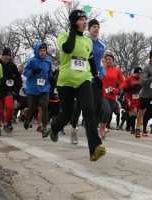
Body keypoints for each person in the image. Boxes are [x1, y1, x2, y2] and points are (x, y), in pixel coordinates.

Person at [50, 9, 105, 161]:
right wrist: (73, 31)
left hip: (83, 80)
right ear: (74, 22)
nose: (85, 22)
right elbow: (67, 48)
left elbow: (91, 60)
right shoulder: (64, 36)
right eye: (81, 19)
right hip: (66, 81)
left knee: (89, 110)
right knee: (67, 115)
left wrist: (96, 75)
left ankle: (95, 148)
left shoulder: (88, 41)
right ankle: (54, 128)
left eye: (86, 19)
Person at [70, 18, 106, 144]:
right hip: (83, 78)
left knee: (98, 104)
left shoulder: (102, 45)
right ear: (89, 29)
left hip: (96, 78)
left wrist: (101, 68)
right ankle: (74, 129)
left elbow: (99, 60)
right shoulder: (83, 41)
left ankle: (92, 128)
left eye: (98, 27)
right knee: (79, 106)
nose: (96, 28)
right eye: (94, 26)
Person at [23, 42, 52, 138]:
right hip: (32, 89)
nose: (43, 52)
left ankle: (44, 128)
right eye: (41, 50)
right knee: (32, 109)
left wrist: (52, 79)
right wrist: (33, 72)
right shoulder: (32, 61)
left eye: (44, 50)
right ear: (37, 51)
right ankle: (27, 117)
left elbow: (50, 73)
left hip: (44, 87)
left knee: (44, 106)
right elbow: (25, 72)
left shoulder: (48, 62)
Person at [0, 47, 21, 136]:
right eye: (5, 55)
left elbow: (18, 78)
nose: (7, 58)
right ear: (1, 56)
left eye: (8, 56)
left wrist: (15, 91)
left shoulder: (12, 65)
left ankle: (6, 124)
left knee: (10, 107)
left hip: (8, 91)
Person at [100, 54, 125, 139]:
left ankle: (102, 126)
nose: (107, 61)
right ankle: (102, 129)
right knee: (106, 111)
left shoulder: (117, 70)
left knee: (109, 113)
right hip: (103, 94)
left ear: (113, 60)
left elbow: (123, 82)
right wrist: (102, 88)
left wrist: (117, 90)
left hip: (113, 95)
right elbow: (98, 80)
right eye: (106, 59)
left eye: (109, 59)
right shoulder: (102, 69)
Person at [123, 67, 143, 136]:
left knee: (135, 112)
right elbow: (125, 89)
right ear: (134, 73)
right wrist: (132, 89)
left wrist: (140, 88)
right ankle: (133, 128)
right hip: (130, 97)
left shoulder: (140, 78)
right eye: (137, 73)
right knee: (134, 111)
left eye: (140, 74)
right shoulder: (129, 78)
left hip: (137, 97)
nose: (138, 75)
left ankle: (132, 126)